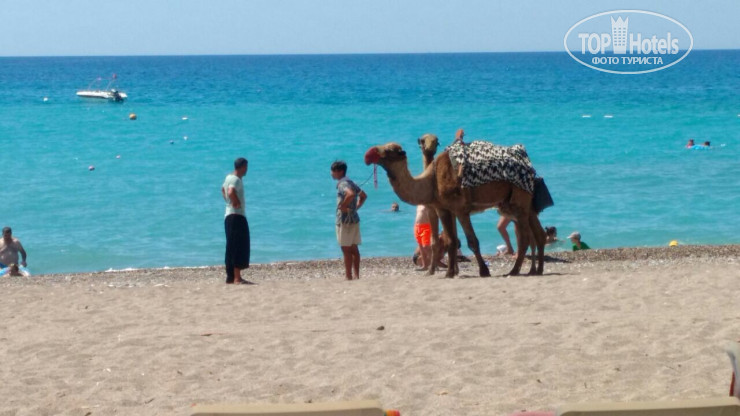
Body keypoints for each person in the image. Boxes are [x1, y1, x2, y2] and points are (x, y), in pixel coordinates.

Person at [331, 160, 367, 280]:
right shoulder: (351, 182)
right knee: (354, 248)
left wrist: (344, 206)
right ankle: (356, 275)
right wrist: (355, 208)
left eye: (333, 171)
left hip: (344, 221)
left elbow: (350, 194)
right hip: (354, 219)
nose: (331, 173)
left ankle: (348, 276)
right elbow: (363, 196)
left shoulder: (343, 184)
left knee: (346, 249)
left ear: (340, 172)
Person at [221, 157, 253, 285]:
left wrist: (228, 201)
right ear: (242, 167)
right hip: (236, 216)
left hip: (229, 215)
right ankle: (237, 278)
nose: (247, 170)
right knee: (239, 245)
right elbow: (230, 191)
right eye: (246, 167)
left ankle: (230, 277)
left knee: (231, 246)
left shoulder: (228, 177)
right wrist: (236, 201)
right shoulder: (236, 179)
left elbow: (223, 190)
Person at [414, 205, 433, 270]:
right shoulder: (419, 204)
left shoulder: (429, 204)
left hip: (426, 226)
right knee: (421, 247)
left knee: (426, 246)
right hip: (417, 227)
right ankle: (425, 266)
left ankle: (434, 264)